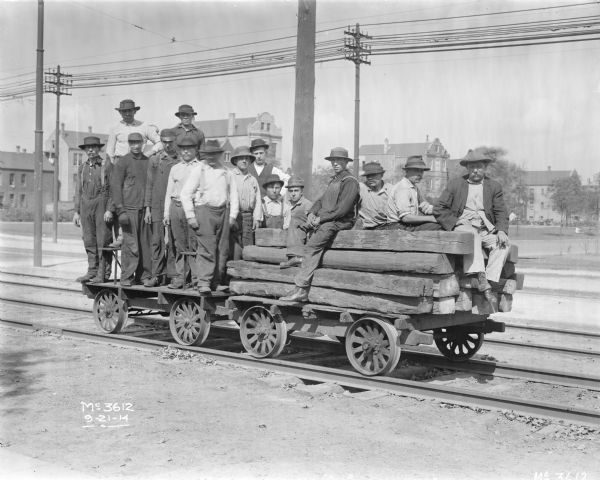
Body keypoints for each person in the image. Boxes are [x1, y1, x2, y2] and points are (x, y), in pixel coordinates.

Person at [433, 148, 510, 312]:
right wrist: (454, 222)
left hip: (485, 228)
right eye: (472, 167)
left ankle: (488, 281)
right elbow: (439, 208)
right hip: (463, 225)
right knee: (471, 236)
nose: (475, 170)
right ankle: (480, 277)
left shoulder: (493, 186)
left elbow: (501, 212)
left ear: (485, 168)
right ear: (467, 168)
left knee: (503, 244)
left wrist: (502, 231)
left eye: (479, 167)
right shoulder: (455, 184)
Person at [280, 147, 360, 301]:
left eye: (339, 161)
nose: (335, 163)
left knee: (311, 247)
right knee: (297, 217)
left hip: (339, 222)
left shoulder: (350, 182)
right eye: (333, 161)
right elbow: (320, 201)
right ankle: (296, 255)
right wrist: (311, 213)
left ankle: (301, 289)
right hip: (326, 218)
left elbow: (342, 210)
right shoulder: (335, 180)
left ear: (346, 162)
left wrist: (320, 219)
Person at [180, 139, 239, 294]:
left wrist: (232, 216)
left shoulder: (227, 172)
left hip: (223, 213)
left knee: (222, 248)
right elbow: (185, 194)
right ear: (204, 155)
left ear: (219, 155)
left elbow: (234, 196)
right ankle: (204, 282)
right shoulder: (199, 170)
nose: (211, 158)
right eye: (208, 155)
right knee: (207, 248)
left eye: (214, 154)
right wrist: (190, 216)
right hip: (204, 211)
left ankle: (216, 281)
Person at [105, 99, 161, 248]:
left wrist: (149, 154)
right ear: (120, 112)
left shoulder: (144, 126)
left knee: (135, 197)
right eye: (124, 111)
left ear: (135, 111)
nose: (127, 114)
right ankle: (121, 235)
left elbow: (159, 141)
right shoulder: (115, 128)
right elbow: (110, 149)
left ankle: (136, 236)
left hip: (138, 163)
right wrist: (113, 164)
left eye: (130, 111)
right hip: (120, 163)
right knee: (117, 194)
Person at [111, 132, 152, 286]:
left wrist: (148, 208)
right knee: (130, 245)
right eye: (132, 143)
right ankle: (127, 277)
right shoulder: (123, 162)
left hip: (143, 210)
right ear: (128, 144)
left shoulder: (148, 162)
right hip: (128, 210)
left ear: (143, 143)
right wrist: (120, 211)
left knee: (144, 244)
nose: (135, 146)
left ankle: (144, 276)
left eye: (138, 142)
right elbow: (115, 187)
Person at [73, 136, 114, 283]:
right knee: (89, 239)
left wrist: (109, 209)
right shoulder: (82, 167)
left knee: (103, 239)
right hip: (85, 205)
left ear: (99, 149)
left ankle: (103, 273)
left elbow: (112, 189)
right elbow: (78, 190)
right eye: (87, 148)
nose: (90, 150)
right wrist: (77, 211)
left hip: (101, 204)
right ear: (85, 150)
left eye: (93, 147)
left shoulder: (106, 165)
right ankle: (92, 271)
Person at [163, 137, 202, 289]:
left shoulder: (200, 167)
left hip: (192, 208)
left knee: (193, 243)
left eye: (190, 148)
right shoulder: (175, 168)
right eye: (183, 149)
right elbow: (168, 192)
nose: (186, 151)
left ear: (195, 150)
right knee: (179, 244)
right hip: (176, 207)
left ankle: (196, 278)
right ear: (179, 151)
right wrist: (166, 213)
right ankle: (180, 278)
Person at [143, 129, 179, 287]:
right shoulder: (155, 160)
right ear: (161, 143)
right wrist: (148, 208)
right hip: (157, 205)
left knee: (173, 241)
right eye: (165, 142)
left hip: (173, 205)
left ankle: (172, 275)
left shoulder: (180, 160)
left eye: (171, 142)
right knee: (157, 241)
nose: (168, 145)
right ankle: (157, 275)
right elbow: (149, 185)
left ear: (175, 142)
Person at [387, 155, 442, 231]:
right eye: (416, 170)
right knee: (438, 227)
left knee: (441, 223)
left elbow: (424, 206)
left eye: (421, 171)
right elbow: (405, 217)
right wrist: (431, 218)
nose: (420, 174)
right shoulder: (403, 188)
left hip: (406, 225)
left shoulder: (413, 187)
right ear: (407, 171)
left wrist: (441, 212)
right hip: (397, 227)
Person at [230, 146, 262, 260]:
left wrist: (257, 218)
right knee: (234, 246)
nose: (244, 161)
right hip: (234, 216)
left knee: (248, 245)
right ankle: (232, 273)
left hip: (248, 216)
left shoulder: (252, 179)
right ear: (235, 161)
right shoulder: (230, 176)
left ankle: (247, 273)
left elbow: (258, 200)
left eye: (246, 159)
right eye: (241, 158)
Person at [279, 175, 313, 269]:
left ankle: (296, 257)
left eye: (296, 191)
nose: (293, 194)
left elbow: (311, 224)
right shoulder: (285, 204)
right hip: (284, 239)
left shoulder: (307, 205)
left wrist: (302, 224)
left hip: (301, 240)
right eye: (291, 191)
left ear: (301, 192)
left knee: (296, 219)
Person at [357, 162, 392, 230]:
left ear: (381, 175)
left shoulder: (391, 190)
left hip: (387, 228)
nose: (370, 178)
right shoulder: (361, 188)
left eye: (373, 175)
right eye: (368, 176)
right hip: (367, 228)